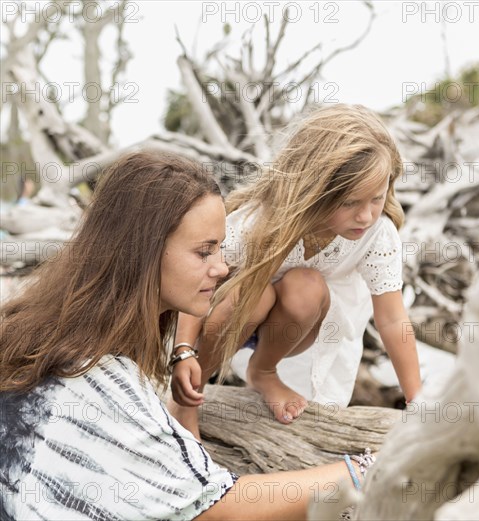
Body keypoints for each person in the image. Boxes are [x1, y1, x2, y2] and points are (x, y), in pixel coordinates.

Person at [0, 151, 373, 521]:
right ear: (142, 252)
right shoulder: (98, 378)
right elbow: (219, 509)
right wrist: (367, 469)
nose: (222, 268)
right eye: (203, 252)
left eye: (220, 249)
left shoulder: (40, 332)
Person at [170, 104, 422, 431]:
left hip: (293, 330)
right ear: (314, 192)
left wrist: (416, 397)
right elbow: (197, 285)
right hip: (229, 321)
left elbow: (391, 318)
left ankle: (263, 371)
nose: (366, 216)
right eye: (349, 203)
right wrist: (183, 351)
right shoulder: (256, 222)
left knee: (307, 284)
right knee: (255, 292)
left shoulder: (377, 233)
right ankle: (191, 394)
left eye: (377, 198)